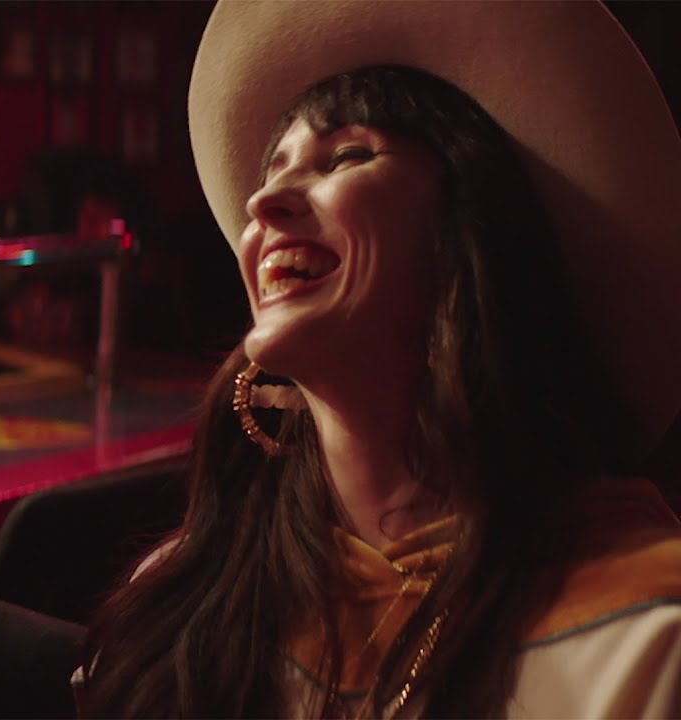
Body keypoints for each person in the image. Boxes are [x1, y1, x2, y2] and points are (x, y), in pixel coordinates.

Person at [80, 2, 681, 717]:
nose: (264, 202)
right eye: (272, 169)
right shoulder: (180, 605)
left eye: (346, 157)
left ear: (468, 231)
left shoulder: (645, 641)